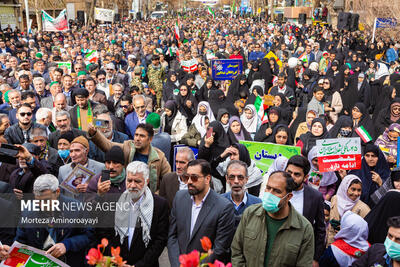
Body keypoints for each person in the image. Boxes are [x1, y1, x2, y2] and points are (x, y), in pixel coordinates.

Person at [231, 171, 314, 266]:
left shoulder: (304, 229)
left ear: (288, 197)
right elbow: (237, 251)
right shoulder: (250, 214)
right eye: (268, 188)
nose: (269, 194)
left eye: (277, 191)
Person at [95, 161, 169, 267]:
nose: (132, 185)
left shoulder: (160, 205)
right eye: (129, 180)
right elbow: (103, 233)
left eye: (137, 181)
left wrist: (139, 265)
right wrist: (118, 261)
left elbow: (160, 241)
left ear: (147, 181)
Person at [12, 174, 94, 267]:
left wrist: (67, 245)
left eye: (46, 200)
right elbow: (21, 240)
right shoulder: (28, 211)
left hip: (69, 261)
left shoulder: (77, 208)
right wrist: (13, 250)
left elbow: (88, 235)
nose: (42, 205)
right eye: (38, 201)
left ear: (57, 192)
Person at [167, 159, 235, 267]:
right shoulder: (179, 198)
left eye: (194, 178)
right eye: (186, 177)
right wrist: (179, 264)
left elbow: (219, 249)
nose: (189, 181)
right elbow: (172, 236)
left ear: (207, 179)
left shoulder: (223, 207)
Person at [88, 123, 171, 192]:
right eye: (136, 135)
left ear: (150, 139)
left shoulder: (159, 157)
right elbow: (108, 146)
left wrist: (155, 196)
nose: (137, 139)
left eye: (142, 136)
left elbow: (168, 181)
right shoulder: (128, 147)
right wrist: (94, 133)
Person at [285, 155, 326, 264]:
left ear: (305, 177)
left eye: (297, 174)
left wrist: (315, 258)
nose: (291, 177)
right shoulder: (277, 191)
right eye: (289, 172)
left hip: (301, 253)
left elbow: (320, 229)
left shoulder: (315, 197)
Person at [327, 175, 371, 246]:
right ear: (345, 188)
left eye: (359, 190)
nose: (356, 193)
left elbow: (365, 232)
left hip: (349, 248)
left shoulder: (364, 209)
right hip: (331, 244)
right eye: (353, 189)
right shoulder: (335, 199)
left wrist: (345, 230)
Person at [222, 160, 262, 228]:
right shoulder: (219, 202)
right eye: (232, 177)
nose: (236, 181)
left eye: (240, 177)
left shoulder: (258, 204)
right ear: (227, 179)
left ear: (246, 179)